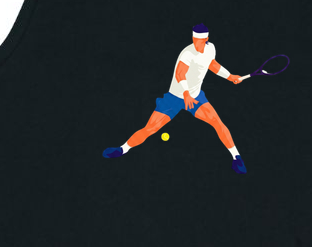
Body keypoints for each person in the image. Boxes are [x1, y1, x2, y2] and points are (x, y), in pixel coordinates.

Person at [102, 23, 247, 173]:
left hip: (196, 98)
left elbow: (212, 64)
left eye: (199, 41)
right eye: (194, 40)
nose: (196, 44)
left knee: (218, 123)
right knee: (150, 128)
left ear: (206, 39)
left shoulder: (211, 49)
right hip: (174, 98)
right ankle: (122, 149)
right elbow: (180, 74)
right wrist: (186, 93)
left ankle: (237, 158)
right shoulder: (187, 53)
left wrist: (230, 76)